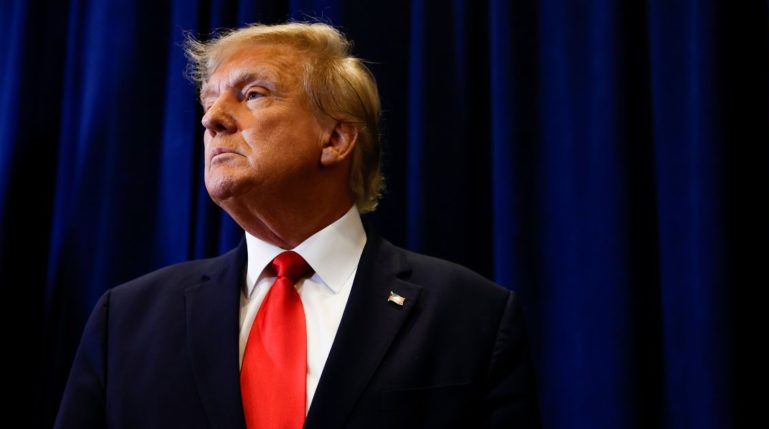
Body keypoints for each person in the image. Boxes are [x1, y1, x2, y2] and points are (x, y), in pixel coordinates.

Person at [55, 22, 541, 428]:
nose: (213, 120)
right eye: (209, 102)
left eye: (253, 94)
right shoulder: (126, 319)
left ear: (334, 138)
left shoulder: (471, 315)